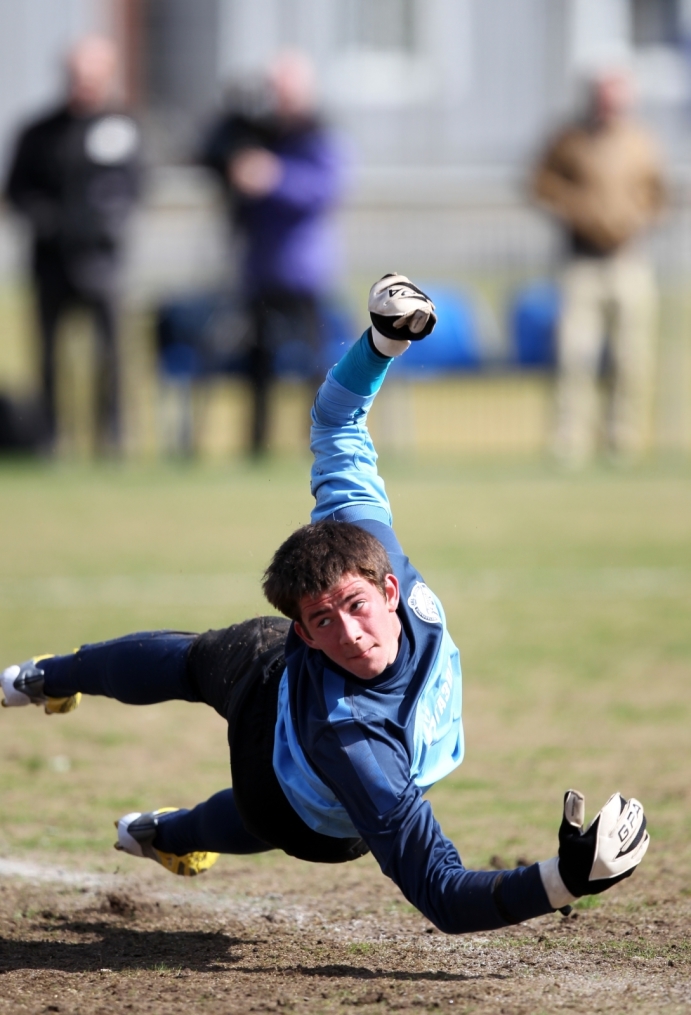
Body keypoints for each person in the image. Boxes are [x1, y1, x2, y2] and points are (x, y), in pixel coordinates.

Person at [1, 275, 649, 933]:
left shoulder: (372, 549)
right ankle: (48, 677)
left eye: (355, 605)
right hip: (293, 741)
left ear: (387, 586)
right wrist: (564, 879)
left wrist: (380, 343)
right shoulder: (353, 736)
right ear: (305, 632)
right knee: (206, 665)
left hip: (314, 783)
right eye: (321, 619)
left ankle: (161, 830)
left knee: (247, 794)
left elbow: (338, 416)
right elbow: (446, 895)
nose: (348, 632)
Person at [200, 51, 345, 455]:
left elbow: (325, 189)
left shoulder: (319, 134)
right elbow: (209, 155)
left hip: (304, 270)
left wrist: (273, 177)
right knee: (258, 361)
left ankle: (321, 441)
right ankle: (257, 445)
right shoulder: (255, 133)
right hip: (258, 267)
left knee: (317, 366)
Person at [4, 36, 141, 454]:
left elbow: (135, 186)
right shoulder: (39, 131)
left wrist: (106, 222)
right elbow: (16, 190)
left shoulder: (123, 127)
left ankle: (112, 439)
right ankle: (48, 440)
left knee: (110, 356)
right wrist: (46, 221)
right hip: (51, 263)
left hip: (102, 263)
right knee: (48, 358)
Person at [531, 68, 666, 466]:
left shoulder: (640, 140)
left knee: (631, 355)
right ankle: (568, 439)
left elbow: (657, 192)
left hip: (628, 261)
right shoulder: (569, 138)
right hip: (581, 261)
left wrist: (636, 218)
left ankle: (621, 437)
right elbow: (542, 183)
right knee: (574, 354)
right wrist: (578, 210)